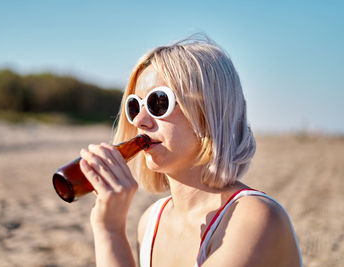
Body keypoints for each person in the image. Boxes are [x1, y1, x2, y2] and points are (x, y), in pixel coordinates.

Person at [79, 35, 302, 267]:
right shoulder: (151, 222)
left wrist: (112, 232)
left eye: (158, 102)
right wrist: (106, 226)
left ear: (209, 112)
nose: (140, 121)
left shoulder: (254, 218)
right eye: (135, 106)